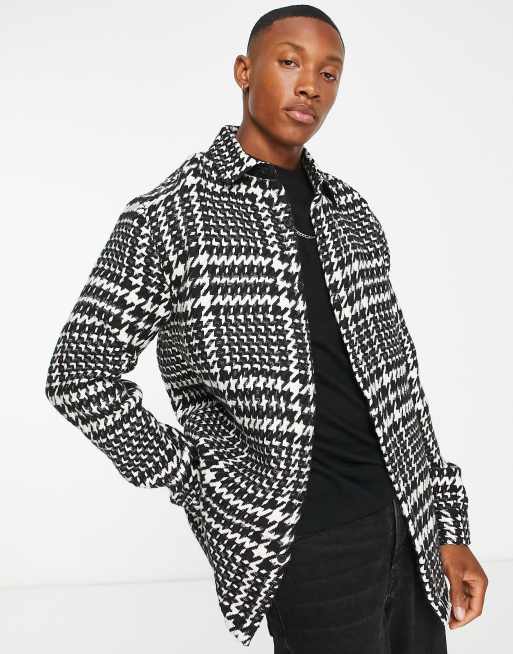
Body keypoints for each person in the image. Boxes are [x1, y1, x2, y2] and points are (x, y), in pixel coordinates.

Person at [44, 4, 488, 652]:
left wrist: (446, 528)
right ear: (243, 71)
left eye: (329, 73)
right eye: (289, 62)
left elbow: (400, 386)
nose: (310, 86)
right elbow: (78, 373)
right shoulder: (172, 215)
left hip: (408, 525)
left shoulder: (350, 212)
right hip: (308, 547)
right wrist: (197, 479)